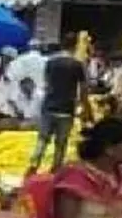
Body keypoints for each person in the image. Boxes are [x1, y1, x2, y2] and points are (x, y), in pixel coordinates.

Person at [27, 33, 91, 176]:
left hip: (49, 106)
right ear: (75, 46)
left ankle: (33, 166)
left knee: (42, 139)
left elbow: (47, 84)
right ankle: (55, 172)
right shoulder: (77, 65)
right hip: (66, 109)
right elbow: (83, 91)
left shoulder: (50, 62)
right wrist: (86, 110)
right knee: (61, 144)